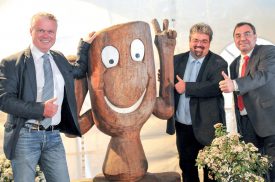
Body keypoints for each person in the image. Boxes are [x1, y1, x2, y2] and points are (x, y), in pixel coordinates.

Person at [0, 12, 95, 182]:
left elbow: (79, 70)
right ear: (31, 31)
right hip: (25, 136)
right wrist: (41, 109)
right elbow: (4, 100)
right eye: (41, 30)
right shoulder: (11, 63)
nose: (46, 35)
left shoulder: (58, 58)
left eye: (50, 32)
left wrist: (85, 45)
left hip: (53, 136)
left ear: (55, 34)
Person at [166, 23, 228, 182]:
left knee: (212, 171)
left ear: (209, 42)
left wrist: (186, 87)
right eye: (195, 40)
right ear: (189, 40)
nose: (199, 44)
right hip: (182, 125)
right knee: (187, 168)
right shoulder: (176, 60)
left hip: (208, 126)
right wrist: (164, 78)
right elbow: (168, 84)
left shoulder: (218, 62)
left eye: (204, 41)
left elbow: (215, 86)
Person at [219, 22, 275, 181]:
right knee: (253, 167)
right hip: (246, 122)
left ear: (255, 37)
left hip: (269, 121)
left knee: (273, 167)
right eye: (237, 35)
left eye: (247, 33)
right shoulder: (234, 63)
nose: (242, 38)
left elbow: (262, 76)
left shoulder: (268, 52)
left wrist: (235, 84)